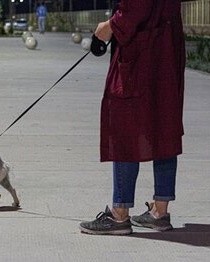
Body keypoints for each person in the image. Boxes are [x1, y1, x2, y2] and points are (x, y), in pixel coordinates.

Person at [79, 0, 185, 235]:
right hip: (166, 47)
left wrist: (110, 26)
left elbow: (136, 7)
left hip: (141, 52)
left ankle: (119, 215)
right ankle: (159, 212)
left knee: (124, 127)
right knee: (164, 125)